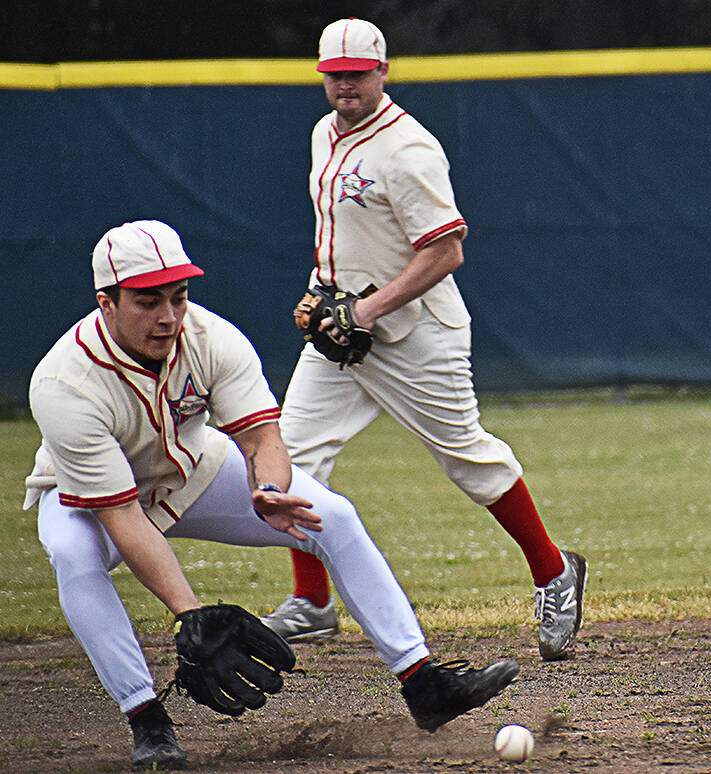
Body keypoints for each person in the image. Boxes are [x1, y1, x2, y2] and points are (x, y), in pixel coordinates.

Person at [23, 219, 519, 770]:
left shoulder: (210, 338)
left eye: (178, 296)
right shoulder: (63, 383)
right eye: (147, 301)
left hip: (194, 467)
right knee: (74, 558)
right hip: (90, 499)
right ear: (106, 303)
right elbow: (124, 516)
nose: (167, 316)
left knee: (331, 514)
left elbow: (262, 437)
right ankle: (148, 722)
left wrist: (268, 489)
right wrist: (191, 614)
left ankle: (423, 682)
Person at [261, 18, 588, 662]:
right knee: (287, 458)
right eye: (334, 74)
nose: (345, 85)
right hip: (342, 332)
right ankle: (313, 602)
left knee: (466, 459)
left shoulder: (408, 149)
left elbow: (445, 251)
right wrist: (326, 291)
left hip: (416, 336)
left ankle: (555, 574)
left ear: (383, 72)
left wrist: (371, 307)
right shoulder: (324, 133)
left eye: (357, 73)